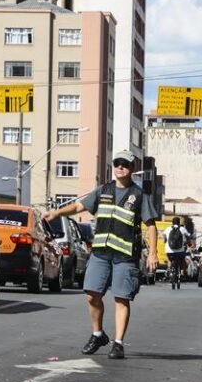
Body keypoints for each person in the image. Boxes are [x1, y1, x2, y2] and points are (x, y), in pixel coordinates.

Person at [43, 150, 158, 360]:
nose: (120, 167)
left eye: (125, 164)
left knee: (122, 298)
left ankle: (118, 343)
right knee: (91, 294)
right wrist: (57, 213)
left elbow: (151, 225)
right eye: (117, 163)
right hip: (101, 253)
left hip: (125, 255)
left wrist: (152, 253)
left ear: (132, 168)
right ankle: (98, 334)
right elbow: (79, 206)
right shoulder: (103, 190)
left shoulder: (140, 196)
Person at [164, 217, 190, 281]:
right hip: (180, 251)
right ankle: (183, 272)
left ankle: (169, 270)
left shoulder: (168, 229)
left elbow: (164, 238)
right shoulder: (182, 229)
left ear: (172, 223)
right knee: (183, 259)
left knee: (169, 259)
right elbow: (188, 236)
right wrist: (189, 242)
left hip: (169, 250)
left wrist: (165, 241)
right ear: (179, 223)